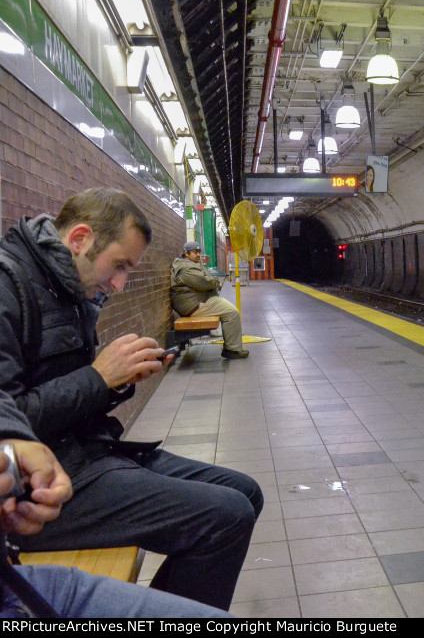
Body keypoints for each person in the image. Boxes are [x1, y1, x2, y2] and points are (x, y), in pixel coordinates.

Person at [0, 188, 262, 611]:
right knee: (226, 516)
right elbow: (12, 418)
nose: (120, 284)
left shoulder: (67, 287)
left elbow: (70, 394)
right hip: (43, 489)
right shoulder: (9, 285)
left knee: (245, 492)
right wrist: (98, 377)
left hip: (87, 453)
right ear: (80, 239)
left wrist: (117, 380)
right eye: (119, 265)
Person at [0, 411, 232, 618]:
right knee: (224, 515)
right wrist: (98, 379)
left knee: (237, 499)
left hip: (91, 450)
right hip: (79, 466)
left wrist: (11, 436)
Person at [171, 241, 248, 359]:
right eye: (194, 252)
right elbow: (204, 282)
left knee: (231, 311)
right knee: (232, 313)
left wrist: (211, 281)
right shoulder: (185, 268)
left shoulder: (189, 264)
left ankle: (232, 347)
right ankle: (232, 350)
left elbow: (206, 279)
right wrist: (216, 282)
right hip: (195, 305)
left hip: (198, 301)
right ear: (186, 253)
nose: (198, 255)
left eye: (199, 252)